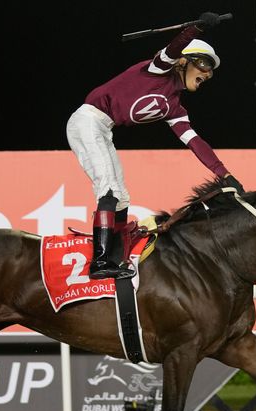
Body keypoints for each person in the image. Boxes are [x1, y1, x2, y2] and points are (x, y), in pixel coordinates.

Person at [66, 12, 245, 280]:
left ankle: (116, 254)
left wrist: (225, 175)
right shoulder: (157, 69)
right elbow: (173, 48)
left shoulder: (174, 107)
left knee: (122, 197)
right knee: (109, 190)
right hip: (87, 120)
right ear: (184, 62)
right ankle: (100, 262)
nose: (208, 75)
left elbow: (196, 142)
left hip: (104, 129)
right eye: (205, 66)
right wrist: (196, 28)